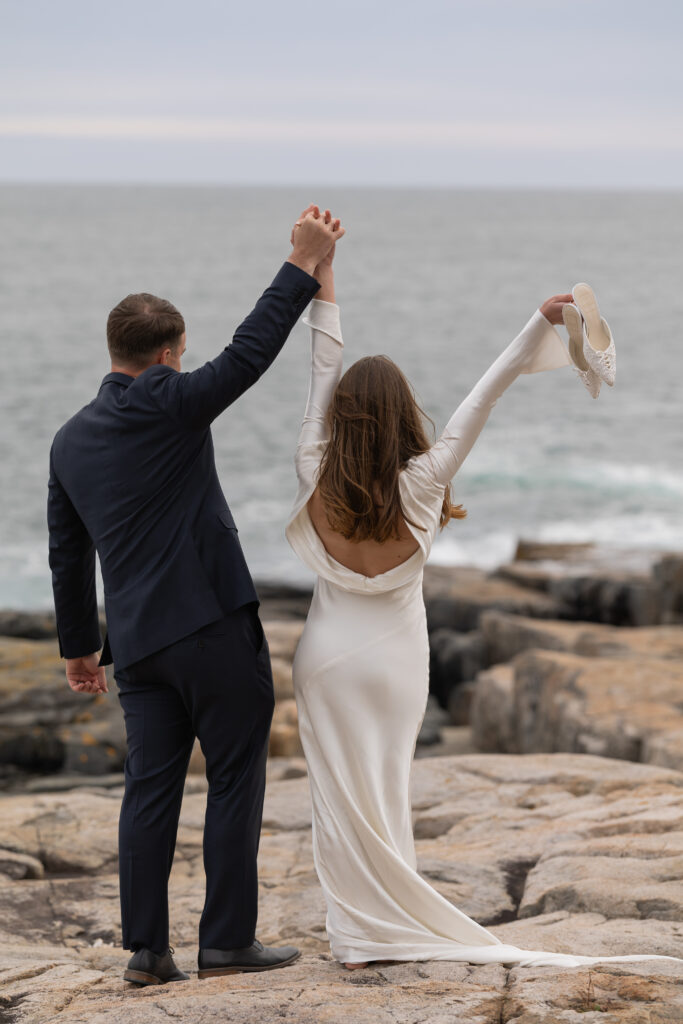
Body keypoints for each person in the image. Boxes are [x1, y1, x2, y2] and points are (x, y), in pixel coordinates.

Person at [285, 226, 683, 971]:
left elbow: (322, 364)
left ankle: (357, 934)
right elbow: (486, 389)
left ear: (343, 418)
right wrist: (539, 323)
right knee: (387, 784)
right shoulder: (426, 479)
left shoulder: (313, 470)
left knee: (339, 802)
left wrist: (321, 276)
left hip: (326, 661)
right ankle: (388, 926)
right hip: (396, 661)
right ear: (403, 414)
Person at [47, 205, 344, 986]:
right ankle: (225, 943)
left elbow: (67, 551)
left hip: (138, 647)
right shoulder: (173, 399)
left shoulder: (70, 439)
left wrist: (79, 647)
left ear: (115, 351)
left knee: (148, 794)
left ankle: (147, 952)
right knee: (236, 779)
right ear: (171, 354)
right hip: (211, 628)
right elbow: (248, 355)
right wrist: (302, 263)